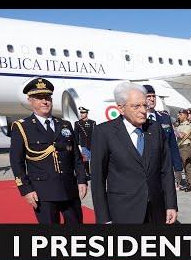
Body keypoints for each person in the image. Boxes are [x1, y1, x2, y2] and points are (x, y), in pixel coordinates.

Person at [90, 82, 178, 224]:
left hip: (156, 211)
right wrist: (104, 218)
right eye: (136, 106)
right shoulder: (104, 133)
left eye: (144, 105)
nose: (143, 110)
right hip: (123, 211)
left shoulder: (155, 129)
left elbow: (166, 170)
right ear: (121, 108)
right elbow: (98, 180)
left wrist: (171, 205)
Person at [10, 77, 88, 224]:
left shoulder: (64, 125)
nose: (44, 102)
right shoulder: (22, 127)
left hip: (69, 189)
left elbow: (75, 156)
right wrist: (26, 189)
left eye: (47, 97)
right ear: (30, 100)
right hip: (42, 192)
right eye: (39, 98)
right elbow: (16, 162)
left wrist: (82, 180)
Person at [143, 84, 183, 189]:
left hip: (163, 167)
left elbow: (172, 144)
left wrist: (177, 167)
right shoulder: (138, 119)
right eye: (148, 96)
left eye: (153, 96)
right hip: (144, 168)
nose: (152, 99)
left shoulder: (164, 118)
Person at [175, 109, 191, 191]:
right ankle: (189, 183)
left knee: (184, 165)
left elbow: (181, 135)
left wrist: (173, 129)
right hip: (180, 147)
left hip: (185, 147)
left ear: (185, 116)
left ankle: (186, 183)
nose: (179, 116)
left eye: (181, 114)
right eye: (179, 114)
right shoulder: (180, 125)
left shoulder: (188, 125)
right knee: (186, 166)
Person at [74, 107, 95, 179]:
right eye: (81, 113)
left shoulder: (92, 123)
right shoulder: (78, 123)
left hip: (92, 144)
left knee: (93, 160)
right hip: (83, 144)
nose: (82, 114)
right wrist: (77, 145)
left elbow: (96, 134)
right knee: (85, 160)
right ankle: (87, 174)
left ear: (87, 113)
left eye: (83, 113)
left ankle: (94, 173)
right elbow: (76, 135)